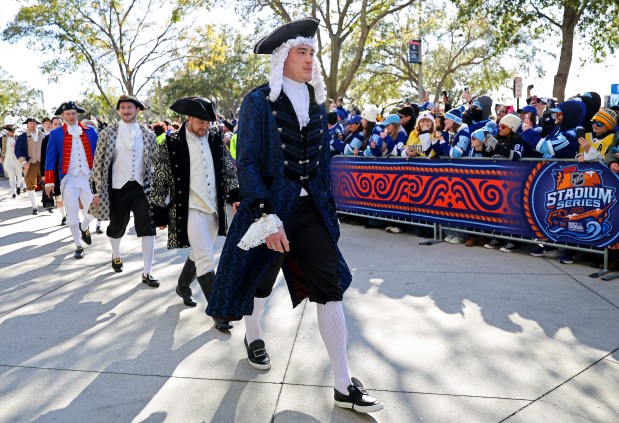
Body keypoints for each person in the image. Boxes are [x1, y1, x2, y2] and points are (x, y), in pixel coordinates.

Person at [206, 17, 383, 413]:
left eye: (312, 53)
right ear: (283, 57)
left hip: (309, 209)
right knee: (259, 280)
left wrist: (327, 207)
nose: (310, 59)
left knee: (329, 287)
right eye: (302, 52)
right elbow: (247, 161)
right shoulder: (258, 101)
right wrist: (265, 216)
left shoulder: (317, 101)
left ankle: (342, 384)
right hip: (269, 207)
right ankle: (254, 336)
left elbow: (321, 162)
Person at [149, 97, 241, 329]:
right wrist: (158, 213)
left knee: (201, 252)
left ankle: (182, 285)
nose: (205, 126)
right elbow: (159, 178)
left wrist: (235, 195)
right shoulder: (171, 143)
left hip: (213, 207)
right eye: (201, 121)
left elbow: (228, 168)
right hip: (189, 208)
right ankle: (218, 312)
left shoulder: (215, 138)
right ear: (188, 118)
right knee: (205, 257)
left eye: (208, 122)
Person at [90, 95, 159, 286]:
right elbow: (98, 162)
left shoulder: (149, 135)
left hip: (141, 188)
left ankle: (148, 271)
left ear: (137, 110)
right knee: (117, 227)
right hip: (116, 187)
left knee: (148, 227)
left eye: (130, 107)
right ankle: (116, 254)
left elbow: (155, 163)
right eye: (122, 108)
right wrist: (96, 191)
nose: (126, 111)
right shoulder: (107, 133)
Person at [44, 101, 99, 259]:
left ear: (78, 114)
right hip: (69, 178)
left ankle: (84, 226)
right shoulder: (55, 134)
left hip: (89, 177)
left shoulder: (91, 131)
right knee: (72, 212)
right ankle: (78, 245)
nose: (71, 116)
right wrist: (49, 181)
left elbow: (99, 155)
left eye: (74, 113)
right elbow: (51, 159)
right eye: (68, 114)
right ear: (63, 115)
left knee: (95, 209)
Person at [16, 118, 46, 214]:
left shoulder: (43, 136)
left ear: (36, 124)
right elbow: (18, 150)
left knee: (47, 182)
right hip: (30, 164)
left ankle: (48, 202)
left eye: (34, 123)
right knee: (30, 185)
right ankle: (34, 207)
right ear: (27, 125)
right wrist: (23, 161)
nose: (32, 125)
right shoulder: (22, 137)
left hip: (42, 163)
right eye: (30, 123)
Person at [40, 116, 67, 223]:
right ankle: (63, 215)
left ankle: (71, 215)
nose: (57, 126)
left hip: (66, 171)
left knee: (69, 194)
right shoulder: (46, 139)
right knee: (58, 196)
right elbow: (43, 158)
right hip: (53, 172)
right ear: (51, 125)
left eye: (60, 124)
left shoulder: (67, 135)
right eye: (55, 124)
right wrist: (43, 174)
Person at [0, 125, 24, 199]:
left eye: (12, 131)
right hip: (7, 159)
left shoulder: (18, 138)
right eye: (10, 131)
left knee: (20, 176)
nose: (11, 132)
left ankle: (18, 186)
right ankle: (13, 192)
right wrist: (0, 156)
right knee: (11, 176)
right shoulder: (2, 138)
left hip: (17, 159)